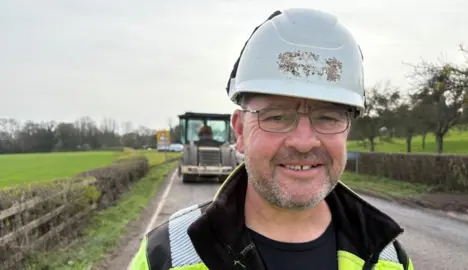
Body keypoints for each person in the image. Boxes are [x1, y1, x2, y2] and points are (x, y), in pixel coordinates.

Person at [130, 8, 414, 270]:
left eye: (328, 117)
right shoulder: (165, 256)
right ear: (240, 132)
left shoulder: (390, 260)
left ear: (347, 130)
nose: (304, 142)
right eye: (276, 117)